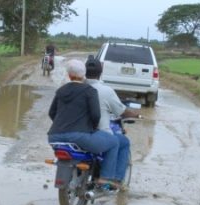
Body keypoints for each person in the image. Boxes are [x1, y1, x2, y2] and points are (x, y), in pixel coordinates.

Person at [47, 59, 122, 189]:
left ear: (69, 75)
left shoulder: (61, 90)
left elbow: (52, 113)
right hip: (79, 136)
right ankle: (105, 179)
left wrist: (62, 126)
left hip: (54, 137)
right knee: (114, 142)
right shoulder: (89, 91)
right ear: (84, 74)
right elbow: (95, 115)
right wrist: (91, 129)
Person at [85, 56, 141, 186]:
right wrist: (136, 115)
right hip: (98, 134)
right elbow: (121, 111)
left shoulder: (75, 88)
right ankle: (114, 180)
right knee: (123, 142)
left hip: (76, 131)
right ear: (101, 71)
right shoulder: (106, 90)